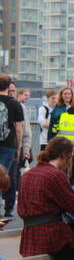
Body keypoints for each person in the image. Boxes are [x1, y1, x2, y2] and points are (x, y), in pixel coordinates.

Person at [0, 75, 25, 217]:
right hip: (8, 145)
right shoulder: (15, 104)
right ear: (8, 86)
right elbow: (19, 129)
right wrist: (18, 146)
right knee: (6, 176)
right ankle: (8, 210)